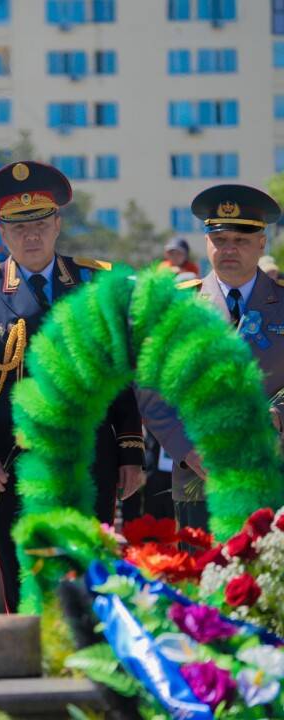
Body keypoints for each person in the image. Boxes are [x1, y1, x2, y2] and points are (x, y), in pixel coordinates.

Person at [0, 161, 144, 611]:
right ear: (2, 232)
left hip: (89, 456)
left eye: (39, 224)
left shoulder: (96, 284)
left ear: (57, 225)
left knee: (90, 573)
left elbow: (119, 374)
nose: (31, 235)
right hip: (13, 462)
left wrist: (131, 450)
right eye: (19, 227)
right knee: (25, 579)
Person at [137, 184, 284, 530]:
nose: (229, 249)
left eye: (241, 240)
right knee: (201, 563)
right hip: (200, 477)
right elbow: (149, 387)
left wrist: (278, 415)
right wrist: (185, 449)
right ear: (206, 242)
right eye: (220, 239)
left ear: (262, 243)